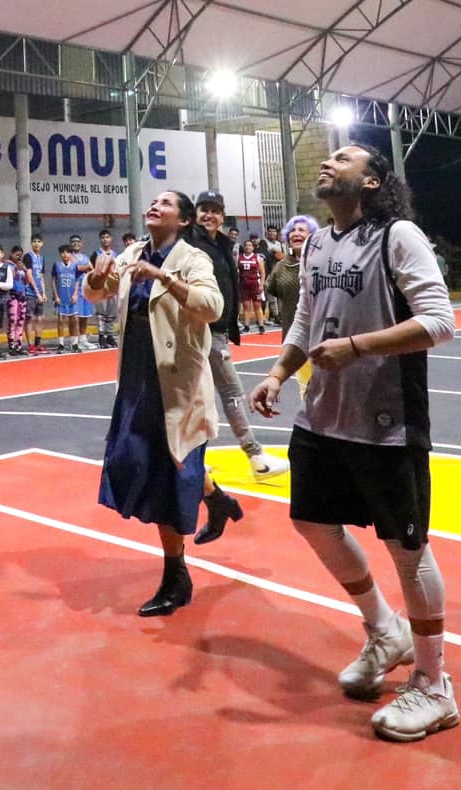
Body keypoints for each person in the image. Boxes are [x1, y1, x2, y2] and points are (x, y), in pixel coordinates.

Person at [249, 145, 458, 744]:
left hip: (386, 420)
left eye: (341, 157)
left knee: (406, 550)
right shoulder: (316, 242)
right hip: (322, 417)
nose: (326, 161)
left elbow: (441, 321)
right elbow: (307, 319)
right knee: (312, 523)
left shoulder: (399, 236)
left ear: (370, 180)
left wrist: (359, 346)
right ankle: (382, 629)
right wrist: (278, 373)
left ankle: (435, 683)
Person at [89, 190, 231, 617]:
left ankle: (176, 575)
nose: (154, 205)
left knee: (168, 478)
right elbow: (100, 293)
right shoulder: (133, 251)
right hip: (136, 379)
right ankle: (216, 497)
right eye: (152, 200)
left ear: (183, 220)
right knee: (129, 463)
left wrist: (165, 278)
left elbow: (213, 306)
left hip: (176, 386)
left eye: (165, 203)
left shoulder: (193, 259)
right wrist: (96, 280)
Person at [188, 192, 282, 482]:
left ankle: (196, 460)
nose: (210, 216)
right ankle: (256, 458)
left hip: (217, 329)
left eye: (216, 211)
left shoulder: (224, 244)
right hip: (198, 330)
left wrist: (232, 323)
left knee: (200, 396)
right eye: (204, 209)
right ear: (195, 213)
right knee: (223, 393)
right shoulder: (188, 243)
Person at [52, 243, 85, 352]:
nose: (65, 254)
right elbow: (53, 281)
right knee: (60, 320)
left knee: (74, 319)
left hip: (71, 296)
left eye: (67, 252)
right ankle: (61, 344)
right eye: (63, 252)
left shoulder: (74, 266)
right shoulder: (56, 265)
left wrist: (76, 293)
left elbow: (77, 280)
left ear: (71, 254)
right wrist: (56, 295)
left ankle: (74, 344)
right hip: (61, 296)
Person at [236, 239, 268, 334]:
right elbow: (236, 270)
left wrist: (262, 284)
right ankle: (246, 326)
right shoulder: (239, 257)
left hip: (255, 284)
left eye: (249, 245)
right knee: (246, 306)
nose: (247, 247)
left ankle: (261, 326)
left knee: (257, 305)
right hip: (243, 284)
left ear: (253, 247)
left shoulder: (257, 257)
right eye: (246, 245)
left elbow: (262, 272)